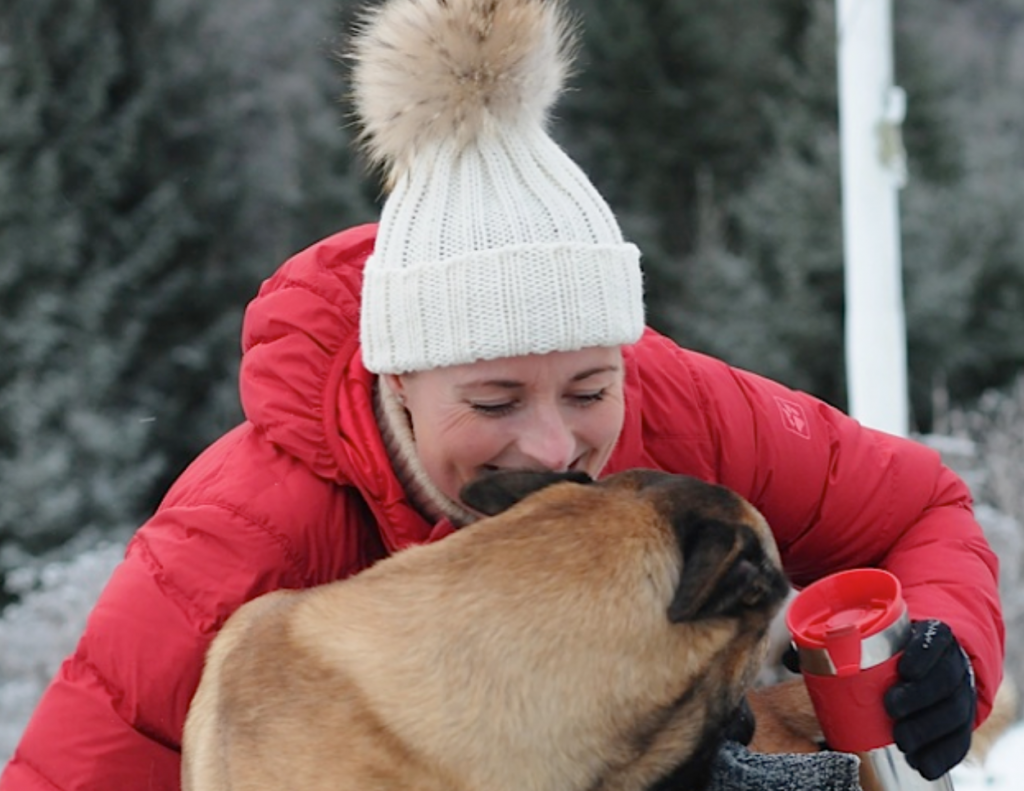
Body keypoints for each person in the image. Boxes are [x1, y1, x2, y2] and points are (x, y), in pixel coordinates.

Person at [0, 0, 1003, 788]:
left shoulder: (672, 407)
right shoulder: (249, 529)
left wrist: (946, 647)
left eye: (587, 386)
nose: (554, 443)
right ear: (397, 378)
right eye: (491, 400)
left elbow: (915, 504)